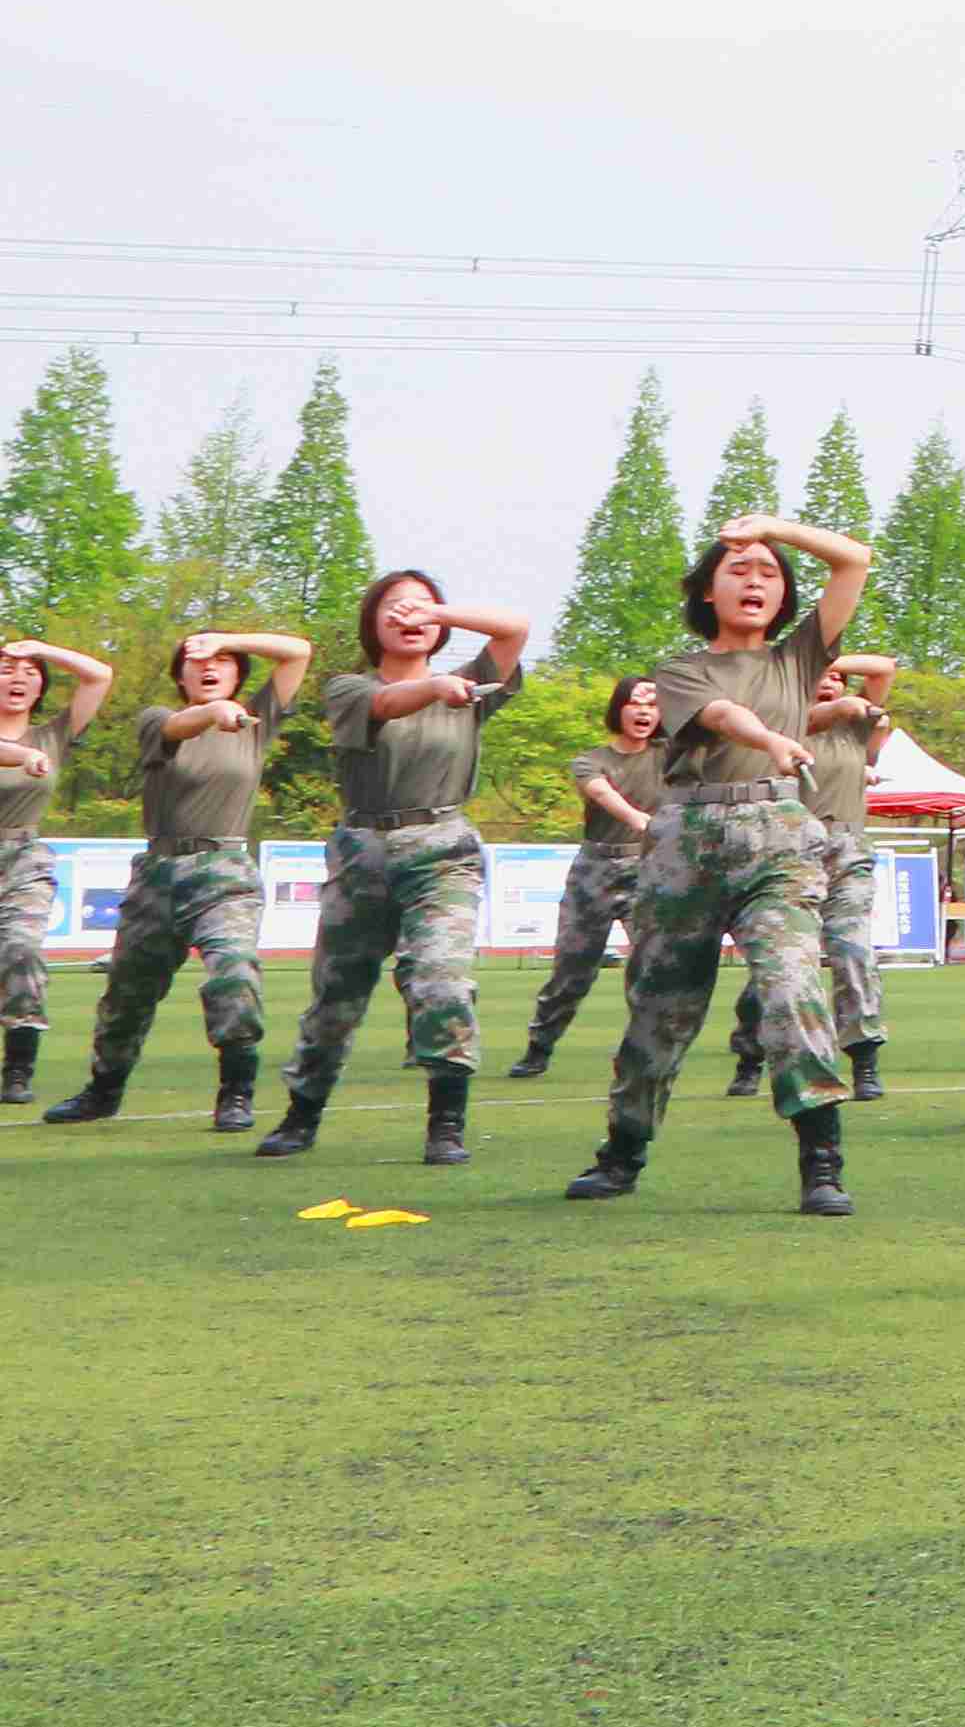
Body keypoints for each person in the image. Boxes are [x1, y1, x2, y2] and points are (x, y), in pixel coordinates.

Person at [575, 515, 872, 1217]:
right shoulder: (680, 670)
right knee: (660, 1007)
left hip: (778, 835)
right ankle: (623, 1151)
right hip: (689, 838)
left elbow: (854, 561)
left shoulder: (800, 658)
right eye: (738, 569)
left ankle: (821, 1161)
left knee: (792, 985)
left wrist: (771, 529)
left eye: (769, 573)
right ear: (707, 590)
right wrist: (770, 736)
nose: (755, 581)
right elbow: (718, 715)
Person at [262, 571, 530, 1165]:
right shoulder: (348, 688)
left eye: (420, 608)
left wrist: (440, 611)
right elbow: (386, 704)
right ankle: (302, 1113)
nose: (408, 617)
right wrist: (436, 686)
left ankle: (446, 1124)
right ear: (371, 622)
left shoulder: (471, 683)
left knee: (443, 981)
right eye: (393, 607)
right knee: (337, 994)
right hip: (364, 849)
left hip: (444, 848)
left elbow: (516, 630)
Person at [44, 625, 306, 1132]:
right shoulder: (158, 720)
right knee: (127, 995)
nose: (208, 667)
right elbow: (179, 728)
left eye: (223, 661)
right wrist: (213, 712)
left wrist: (229, 639)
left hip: (225, 871)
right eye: (194, 660)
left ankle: (236, 1091)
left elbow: (298, 653)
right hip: (160, 873)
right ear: (179, 675)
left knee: (234, 974)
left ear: (239, 671)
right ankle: (103, 1090)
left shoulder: (256, 721)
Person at [730, 651, 895, 1103]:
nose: (831, 683)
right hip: (791, 848)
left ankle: (863, 1056)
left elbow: (884, 669)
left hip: (847, 849)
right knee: (782, 961)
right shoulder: (779, 721)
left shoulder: (855, 727)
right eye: (820, 675)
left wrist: (823, 653)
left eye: (839, 678)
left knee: (851, 949)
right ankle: (750, 1053)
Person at [511, 673, 663, 1081]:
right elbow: (600, 793)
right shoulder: (591, 760)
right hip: (595, 870)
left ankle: (644, 1055)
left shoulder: (673, 756)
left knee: (653, 968)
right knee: (572, 973)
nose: (644, 712)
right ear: (619, 708)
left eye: (652, 704)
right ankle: (539, 1047)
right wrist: (639, 819)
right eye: (636, 703)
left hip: (649, 869)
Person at [0, 632, 118, 1104]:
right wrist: (22, 756)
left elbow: (100, 675)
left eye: (30, 673)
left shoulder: (52, 734)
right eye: (7, 667)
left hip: (23, 857)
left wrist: (38, 649)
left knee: (21, 950)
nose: (19, 676)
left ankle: (18, 1067)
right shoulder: (32, 749)